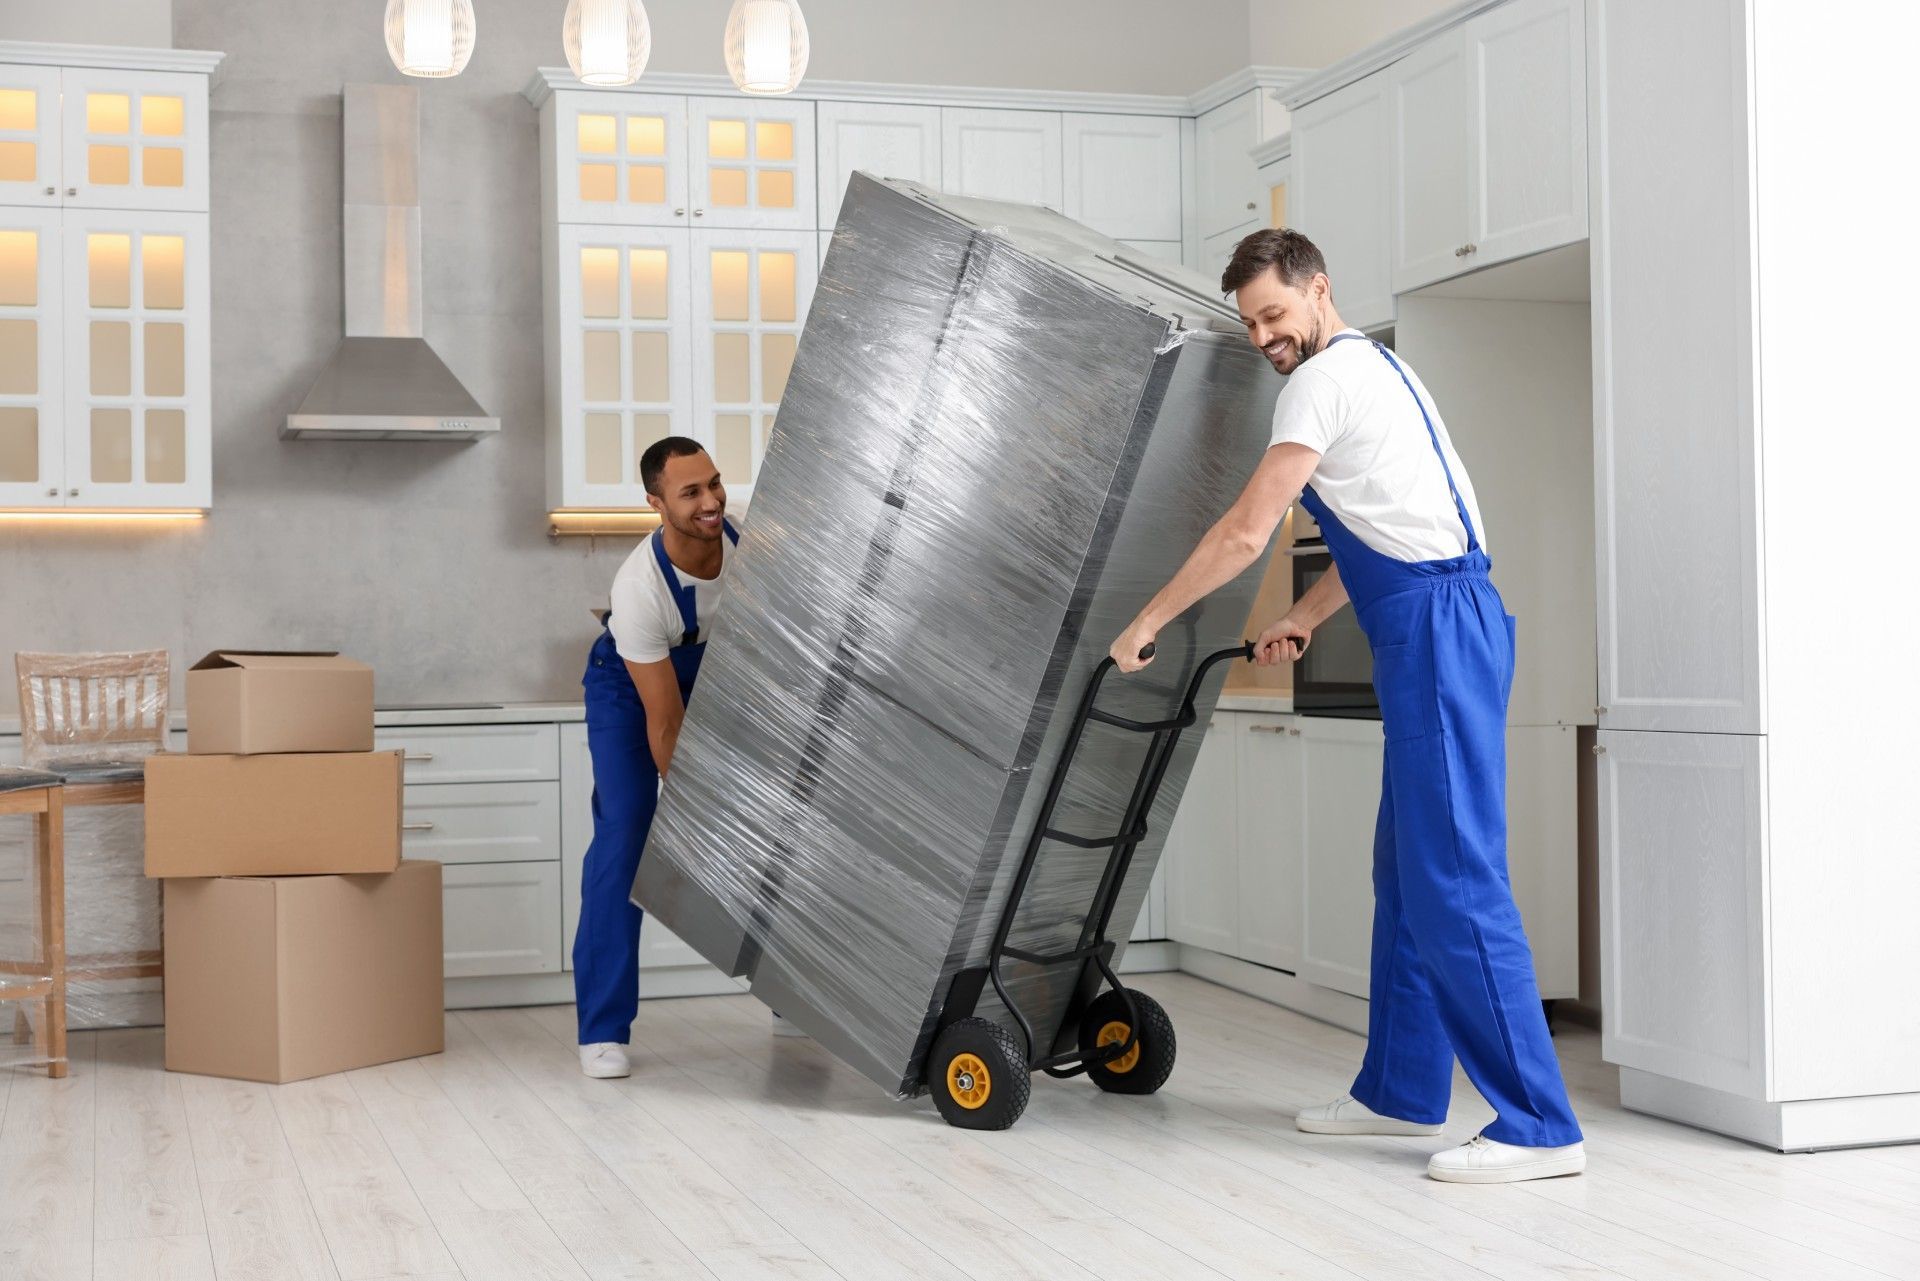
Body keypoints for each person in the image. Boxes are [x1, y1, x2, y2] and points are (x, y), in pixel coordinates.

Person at [1109, 229, 1585, 1184]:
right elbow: (1396, 529)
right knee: (1407, 870)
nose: (1263, 336)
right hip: (1442, 617)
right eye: (1249, 324)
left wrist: (1148, 618)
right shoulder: (1377, 369)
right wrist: (1303, 612)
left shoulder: (1318, 384)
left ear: (1320, 290)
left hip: (1438, 630)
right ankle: (1401, 1089)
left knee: (1452, 875)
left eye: (1274, 314)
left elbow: (1248, 528)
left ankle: (1539, 1123)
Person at [574, 437, 798, 1078]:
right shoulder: (642, 590)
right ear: (655, 503)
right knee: (626, 834)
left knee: (787, 821)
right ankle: (602, 1028)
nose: (711, 501)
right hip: (633, 688)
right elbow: (665, 722)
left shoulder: (750, 533)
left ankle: (795, 995)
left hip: (720, 673)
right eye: (690, 492)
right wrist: (703, 817)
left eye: (715, 484)